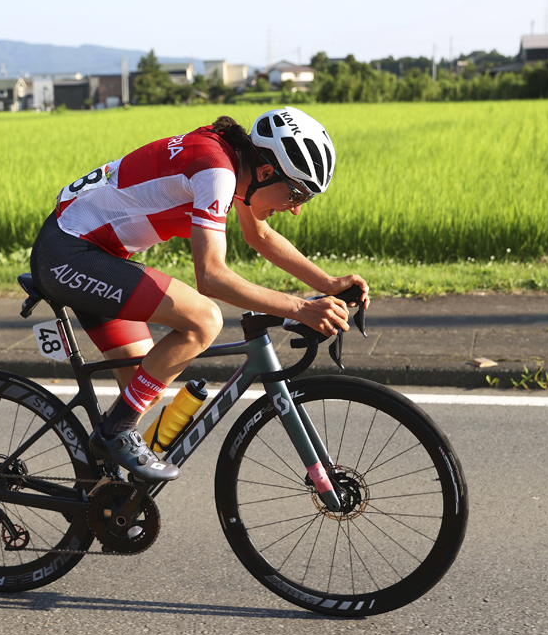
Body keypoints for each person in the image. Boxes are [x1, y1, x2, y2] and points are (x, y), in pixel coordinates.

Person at [30, 106, 369, 483]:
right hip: (69, 254)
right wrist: (302, 308)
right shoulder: (217, 170)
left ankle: (102, 496)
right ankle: (113, 433)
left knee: (146, 383)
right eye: (296, 194)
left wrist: (328, 283)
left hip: (96, 254)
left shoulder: (235, 164)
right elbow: (211, 278)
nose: (296, 210)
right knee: (203, 320)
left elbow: (260, 236)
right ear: (266, 172)